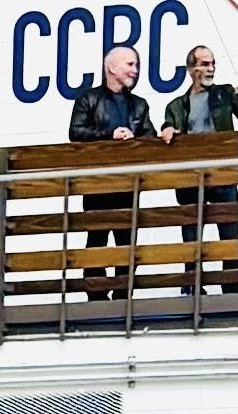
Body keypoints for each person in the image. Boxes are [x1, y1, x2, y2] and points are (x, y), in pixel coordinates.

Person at [69, 45, 158, 299]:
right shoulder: (88, 99)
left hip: (128, 185)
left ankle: (122, 296)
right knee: (96, 239)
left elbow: (149, 136)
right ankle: (95, 296)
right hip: (96, 184)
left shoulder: (139, 105)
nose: (135, 70)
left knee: (125, 242)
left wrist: (136, 138)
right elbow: (76, 132)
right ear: (112, 67)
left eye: (136, 65)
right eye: (130, 64)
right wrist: (109, 136)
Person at [160, 46, 238, 293]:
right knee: (192, 234)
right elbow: (169, 126)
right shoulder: (177, 105)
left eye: (212, 64)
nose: (210, 69)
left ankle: (232, 287)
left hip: (223, 176)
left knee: (230, 233)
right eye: (204, 64)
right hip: (191, 179)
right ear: (191, 69)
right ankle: (192, 287)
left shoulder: (225, 94)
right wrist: (168, 129)